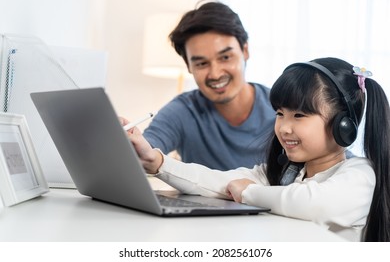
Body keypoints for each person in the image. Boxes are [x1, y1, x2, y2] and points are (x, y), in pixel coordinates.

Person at [126, 57, 390, 242]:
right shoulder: (287, 174)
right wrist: (157, 162)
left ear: (344, 126)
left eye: (299, 116)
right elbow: (221, 182)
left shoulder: (360, 175)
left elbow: (313, 203)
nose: (284, 128)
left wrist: (249, 193)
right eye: (279, 113)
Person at [141, 0, 275, 170]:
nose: (215, 74)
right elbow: (145, 151)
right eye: (201, 64)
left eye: (225, 58)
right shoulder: (183, 110)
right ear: (189, 66)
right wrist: (129, 143)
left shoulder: (282, 110)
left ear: (245, 51)